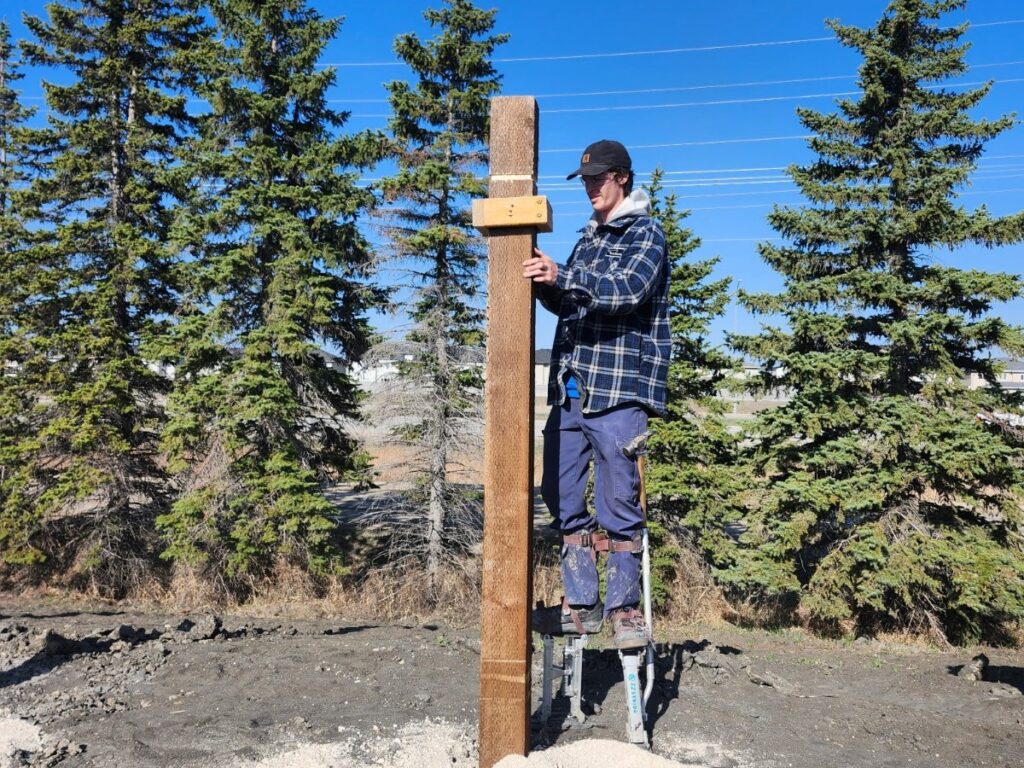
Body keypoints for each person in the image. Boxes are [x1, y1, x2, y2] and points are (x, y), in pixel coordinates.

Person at [522, 139, 669, 649]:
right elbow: (572, 300)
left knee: (619, 502)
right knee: (561, 497)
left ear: (622, 179)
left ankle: (625, 610)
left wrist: (565, 274)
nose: (590, 188)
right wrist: (545, 280)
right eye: (585, 180)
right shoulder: (588, 238)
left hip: (619, 388)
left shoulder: (646, 233)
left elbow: (627, 291)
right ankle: (580, 604)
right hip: (570, 388)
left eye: (598, 179)